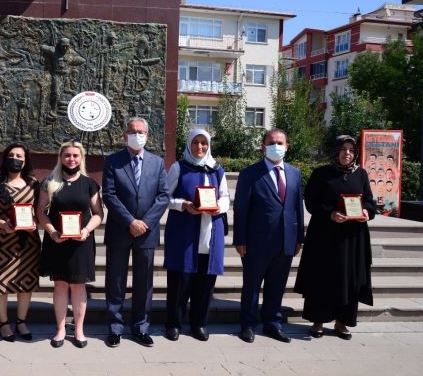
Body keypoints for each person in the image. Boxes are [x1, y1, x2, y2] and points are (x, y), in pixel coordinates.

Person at [294, 135, 375, 340]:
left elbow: (369, 201)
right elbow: (311, 202)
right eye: (343, 149)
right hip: (325, 237)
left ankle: (342, 322)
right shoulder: (322, 173)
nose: (347, 153)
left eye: (351, 150)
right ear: (335, 151)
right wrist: (330, 213)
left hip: (353, 239)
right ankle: (318, 321)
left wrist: (367, 211)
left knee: (349, 279)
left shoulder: (361, 174)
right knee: (322, 277)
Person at [102, 117, 169, 347]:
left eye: (141, 132)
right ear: (124, 135)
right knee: (115, 281)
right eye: (132, 131)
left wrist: (145, 223)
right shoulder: (113, 161)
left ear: (147, 136)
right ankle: (115, 328)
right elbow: (109, 194)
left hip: (146, 233)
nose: (137, 135)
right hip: (120, 229)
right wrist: (130, 221)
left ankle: (141, 327)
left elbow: (163, 195)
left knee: (144, 282)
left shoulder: (157, 162)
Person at [233, 128, 304, 344]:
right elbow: (241, 209)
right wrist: (240, 239)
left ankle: (272, 322)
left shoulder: (295, 173)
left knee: (277, 285)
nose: (276, 146)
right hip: (256, 241)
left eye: (280, 143)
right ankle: (248, 324)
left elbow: (297, 208)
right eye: (271, 142)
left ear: (287, 147)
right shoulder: (250, 173)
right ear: (263, 146)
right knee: (252, 286)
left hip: (285, 241)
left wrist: (299, 237)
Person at [163, 129, 229, 342]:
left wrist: (219, 207)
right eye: (195, 142)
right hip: (184, 234)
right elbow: (164, 197)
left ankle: (199, 323)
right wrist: (183, 204)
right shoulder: (179, 167)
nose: (200, 147)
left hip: (210, 234)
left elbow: (225, 196)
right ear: (188, 144)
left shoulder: (217, 169)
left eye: (204, 143)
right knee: (179, 283)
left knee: (205, 284)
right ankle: (174, 323)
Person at [37, 140, 104, 348]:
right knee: (60, 285)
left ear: (81, 158)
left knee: (78, 286)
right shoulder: (50, 182)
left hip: (81, 242)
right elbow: (40, 211)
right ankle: (60, 329)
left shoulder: (89, 183)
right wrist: (52, 232)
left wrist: (87, 230)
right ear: (60, 157)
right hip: (57, 240)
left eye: (75, 155)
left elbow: (98, 214)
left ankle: (79, 329)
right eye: (67, 155)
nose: (71, 159)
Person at [0, 143, 41, 342]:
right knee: (0, 282)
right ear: (6, 157)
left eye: (20, 156)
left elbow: (41, 211)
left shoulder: (34, 183)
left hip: (28, 243)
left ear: (25, 160)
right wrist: (2, 224)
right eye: (12, 155)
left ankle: (21, 321)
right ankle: (4, 323)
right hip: (1, 241)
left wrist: (36, 222)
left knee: (25, 282)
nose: (15, 159)